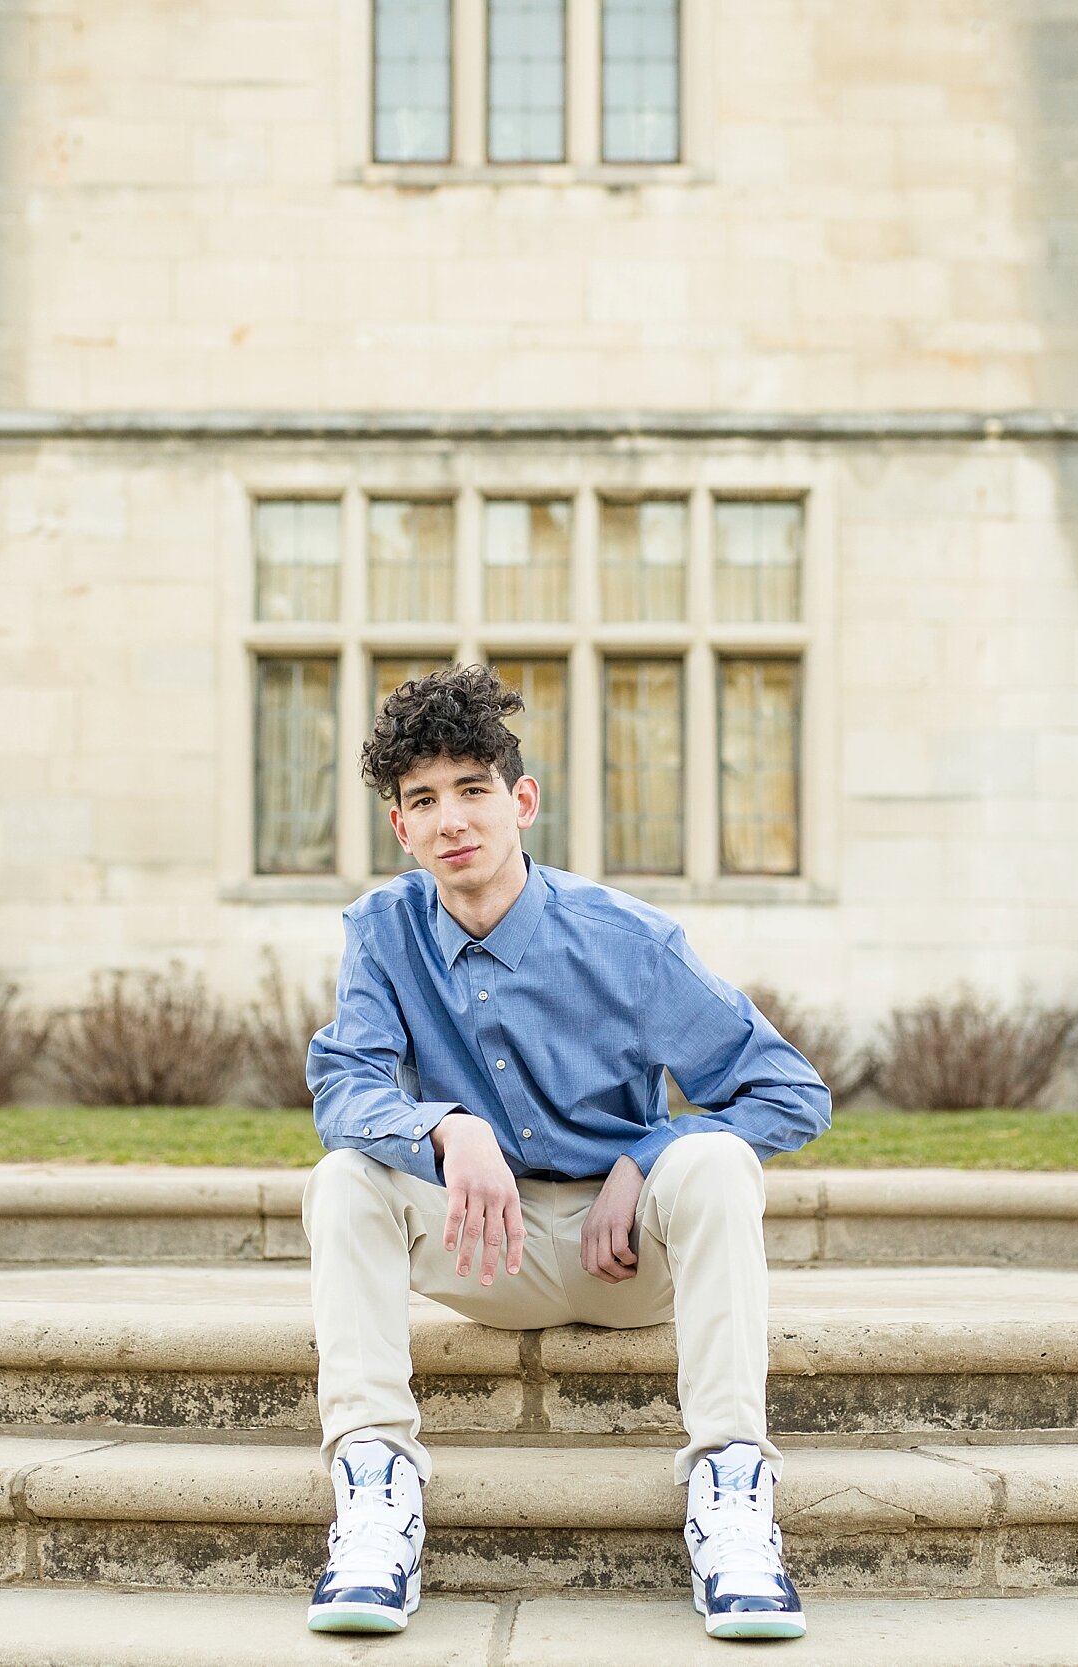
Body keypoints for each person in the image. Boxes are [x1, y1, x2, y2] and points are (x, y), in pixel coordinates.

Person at [301, 665, 831, 1640]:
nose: (451, 817)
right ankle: (375, 1490)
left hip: (625, 1256)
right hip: (482, 1248)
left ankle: (731, 1492)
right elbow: (344, 1087)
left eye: (472, 788)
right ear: (400, 828)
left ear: (522, 800)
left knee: (714, 1162)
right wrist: (446, 1125)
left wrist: (650, 1152)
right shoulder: (381, 933)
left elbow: (792, 1091)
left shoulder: (627, 939)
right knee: (343, 1179)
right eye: (423, 799)